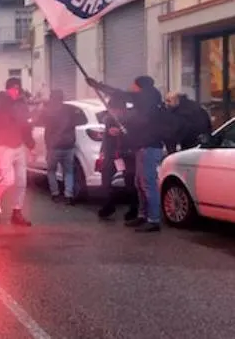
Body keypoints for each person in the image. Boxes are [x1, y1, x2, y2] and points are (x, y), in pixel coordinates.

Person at [86, 75, 165, 233]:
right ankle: (143, 215)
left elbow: (119, 94)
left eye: (133, 85)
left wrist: (98, 85)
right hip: (141, 147)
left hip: (148, 147)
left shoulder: (147, 98)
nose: (131, 88)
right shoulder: (147, 100)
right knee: (139, 183)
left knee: (148, 184)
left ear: (139, 87)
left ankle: (153, 219)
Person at [0, 77, 34, 226]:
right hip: (3, 146)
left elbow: (26, 125)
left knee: (22, 181)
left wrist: (30, 143)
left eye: (18, 88)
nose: (16, 91)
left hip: (19, 145)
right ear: (7, 89)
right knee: (9, 180)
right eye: (13, 88)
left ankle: (17, 212)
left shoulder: (22, 104)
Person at [96, 94, 139, 221]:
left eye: (114, 109)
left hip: (127, 153)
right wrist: (103, 151)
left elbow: (135, 136)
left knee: (130, 181)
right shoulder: (109, 118)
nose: (113, 112)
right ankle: (109, 204)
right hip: (113, 154)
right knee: (107, 179)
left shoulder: (132, 120)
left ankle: (133, 208)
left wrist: (122, 133)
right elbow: (106, 136)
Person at [38, 89, 80, 205]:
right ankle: (68, 195)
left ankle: (55, 194)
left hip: (54, 146)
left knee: (51, 170)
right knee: (68, 171)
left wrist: (48, 145)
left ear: (52, 98)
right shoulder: (70, 110)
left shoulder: (48, 112)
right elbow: (77, 121)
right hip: (69, 145)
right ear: (62, 97)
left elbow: (43, 125)